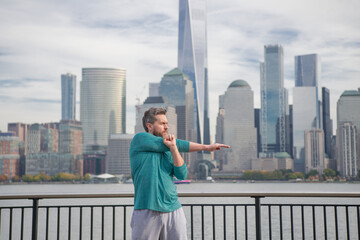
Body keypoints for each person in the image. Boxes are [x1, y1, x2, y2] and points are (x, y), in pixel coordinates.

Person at [129, 107, 230, 240]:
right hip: (147, 209)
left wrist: (174, 148)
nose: (166, 127)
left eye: (166, 123)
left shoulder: (170, 148)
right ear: (149, 126)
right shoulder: (139, 139)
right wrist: (206, 147)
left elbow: (182, 174)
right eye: (162, 123)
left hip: (173, 210)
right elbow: (170, 143)